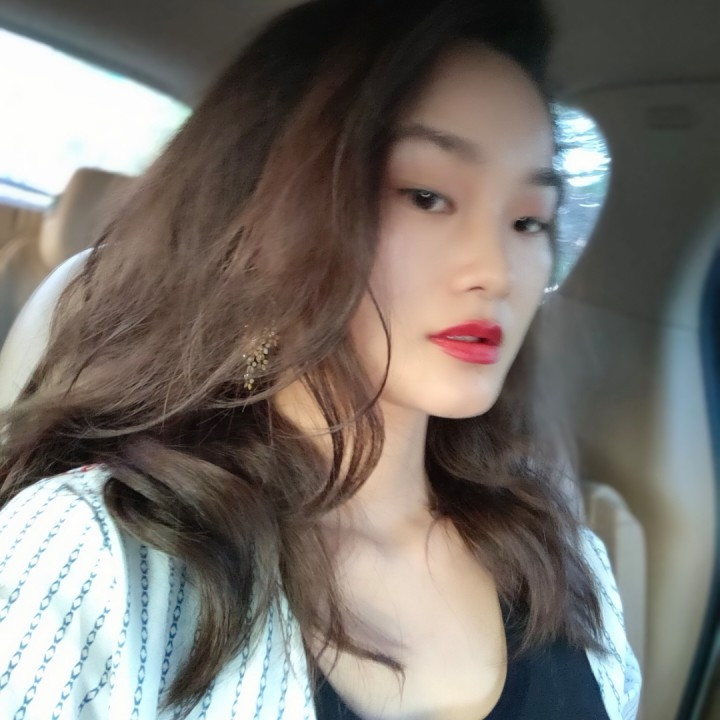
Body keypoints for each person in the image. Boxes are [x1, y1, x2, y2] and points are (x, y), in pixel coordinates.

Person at [0, 0, 641, 718]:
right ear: (266, 218)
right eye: (426, 197)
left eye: (528, 221)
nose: (497, 270)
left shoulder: (568, 565)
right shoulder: (95, 561)